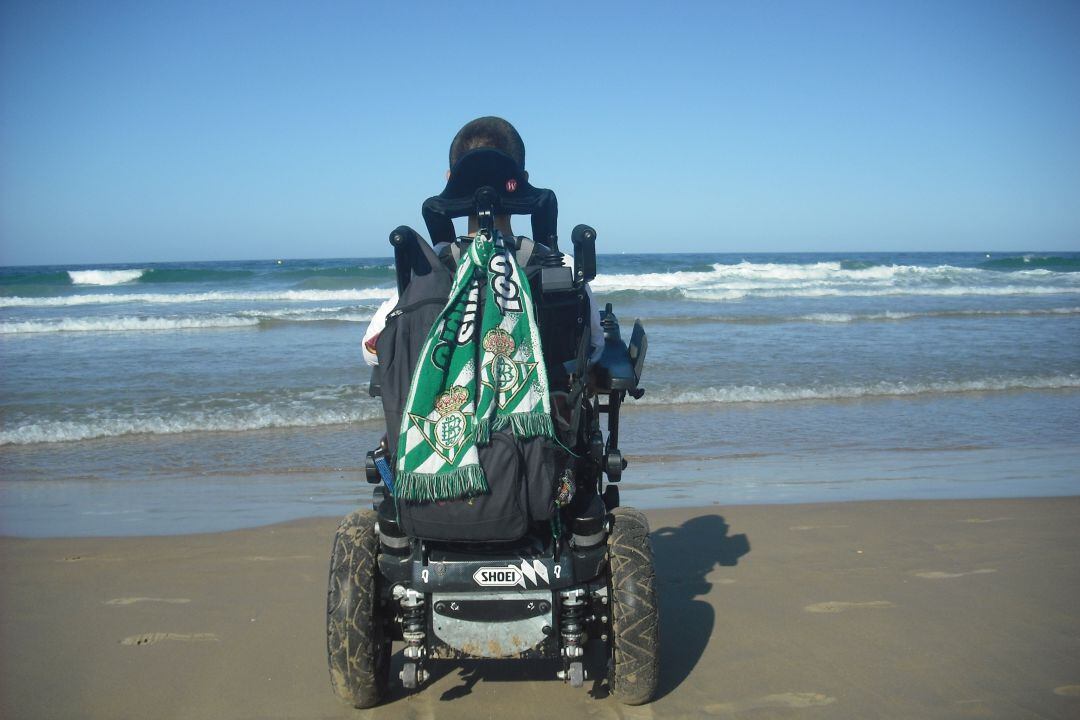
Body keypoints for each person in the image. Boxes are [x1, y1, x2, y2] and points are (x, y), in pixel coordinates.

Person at [362, 116, 603, 366]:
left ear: (449, 181)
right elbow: (593, 346)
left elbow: (372, 351)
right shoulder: (561, 266)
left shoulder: (428, 269)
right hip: (547, 403)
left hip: (449, 403)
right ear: (522, 181)